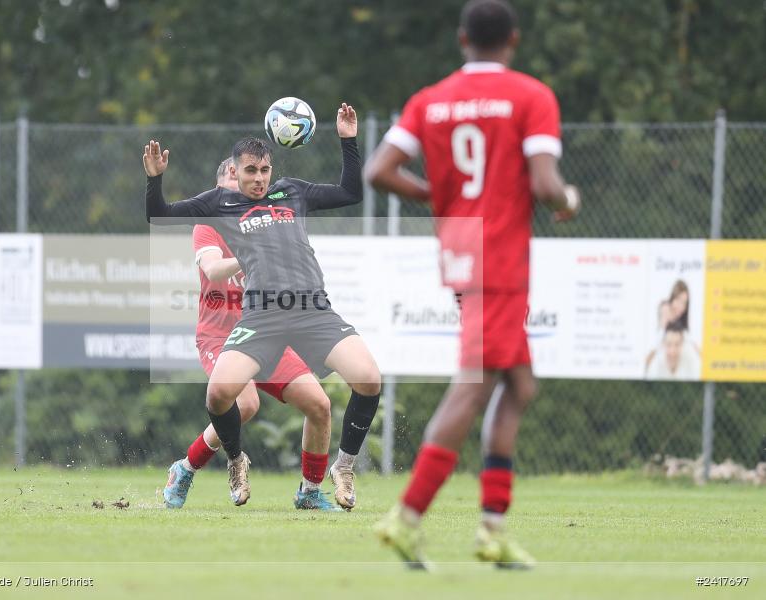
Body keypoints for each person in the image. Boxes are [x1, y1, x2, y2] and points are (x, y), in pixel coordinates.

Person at [366, 0, 581, 569]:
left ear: (462, 40)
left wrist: (436, 196)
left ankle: (493, 527)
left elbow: (378, 171)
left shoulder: (429, 101)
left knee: (520, 385)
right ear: (512, 40)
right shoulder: (531, 96)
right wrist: (569, 199)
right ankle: (407, 518)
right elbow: (545, 181)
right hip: (502, 257)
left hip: (462, 248)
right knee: (474, 385)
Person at [145, 103, 381, 510]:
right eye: (248, 171)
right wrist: (155, 180)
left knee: (367, 380)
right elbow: (159, 214)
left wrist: (348, 141)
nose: (257, 178)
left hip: (311, 310)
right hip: (262, 318)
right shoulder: (220, 206)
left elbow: (350, 193)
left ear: (272, 170)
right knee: (222, 396)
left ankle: (339, 469)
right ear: (234, 173)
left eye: (263, 170)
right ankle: (235, 461)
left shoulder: (292, 191)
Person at [161, 158, 339, 511]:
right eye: (232, 173)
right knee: (245, 403)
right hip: (220, 338)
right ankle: (185, 469)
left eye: (247, 174)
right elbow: (213, 269)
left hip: (268, 332)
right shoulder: (209, 223)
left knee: (319, 406)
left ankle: (310, 492)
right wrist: (252, 254)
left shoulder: (268, 219)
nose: (242, 179)